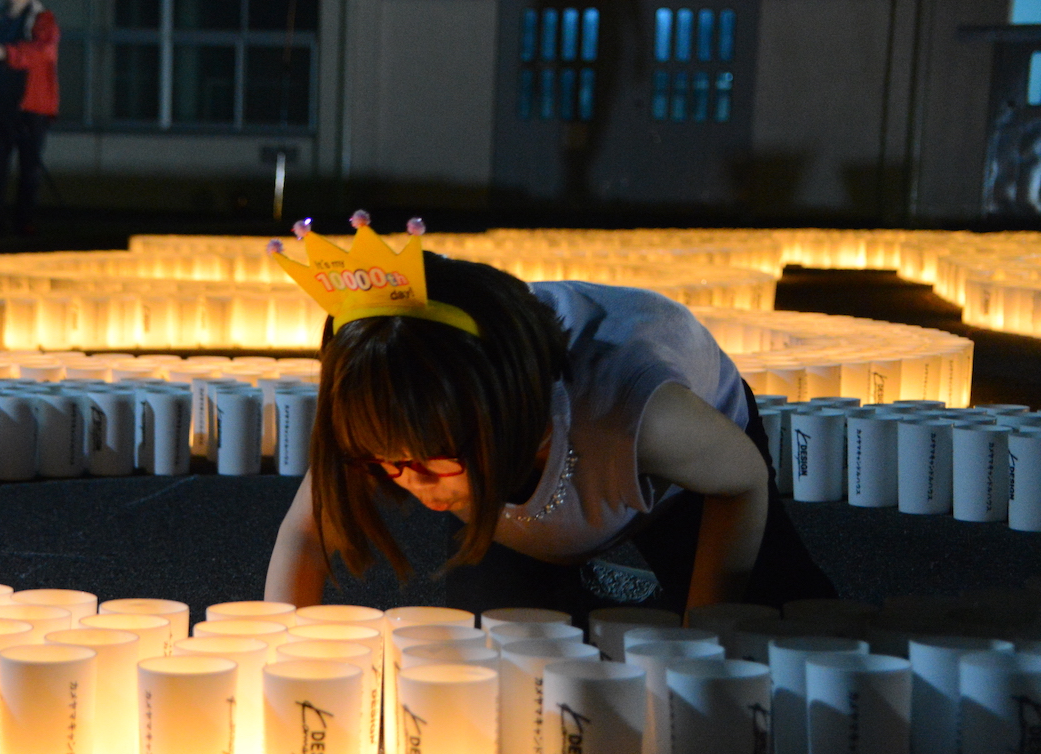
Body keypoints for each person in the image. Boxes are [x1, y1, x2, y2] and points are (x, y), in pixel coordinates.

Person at [263, 217, 836, 619]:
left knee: (780, 629)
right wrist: (279, 664)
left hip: (683, 487)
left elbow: (743, 481)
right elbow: (304, 534)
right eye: (386, 464)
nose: (413, 483)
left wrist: (703, 634)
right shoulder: (402, 419)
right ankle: (585, 579)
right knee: (504, 659)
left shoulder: (638, 412)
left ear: (501, 416)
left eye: (433, 461)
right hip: (509, 484)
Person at [0, 0, 59, 240]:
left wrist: (5, 53)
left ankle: (24, 223)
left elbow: (42, 53)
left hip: (31, 106)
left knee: (29, 168)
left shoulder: (42, 19)